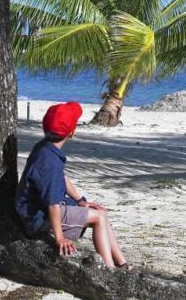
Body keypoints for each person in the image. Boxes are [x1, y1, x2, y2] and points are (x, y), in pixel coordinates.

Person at [14, 101, 131, 270]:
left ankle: (123, 264)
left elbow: (62, 178)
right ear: (72, 132)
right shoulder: (50, 162)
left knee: (100, 212)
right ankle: (109, 268)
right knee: (98, 218)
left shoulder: (44, 148)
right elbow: (52, 204)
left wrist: (81, 200)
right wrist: (59, 237)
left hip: (42, 208)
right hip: (40, 217)